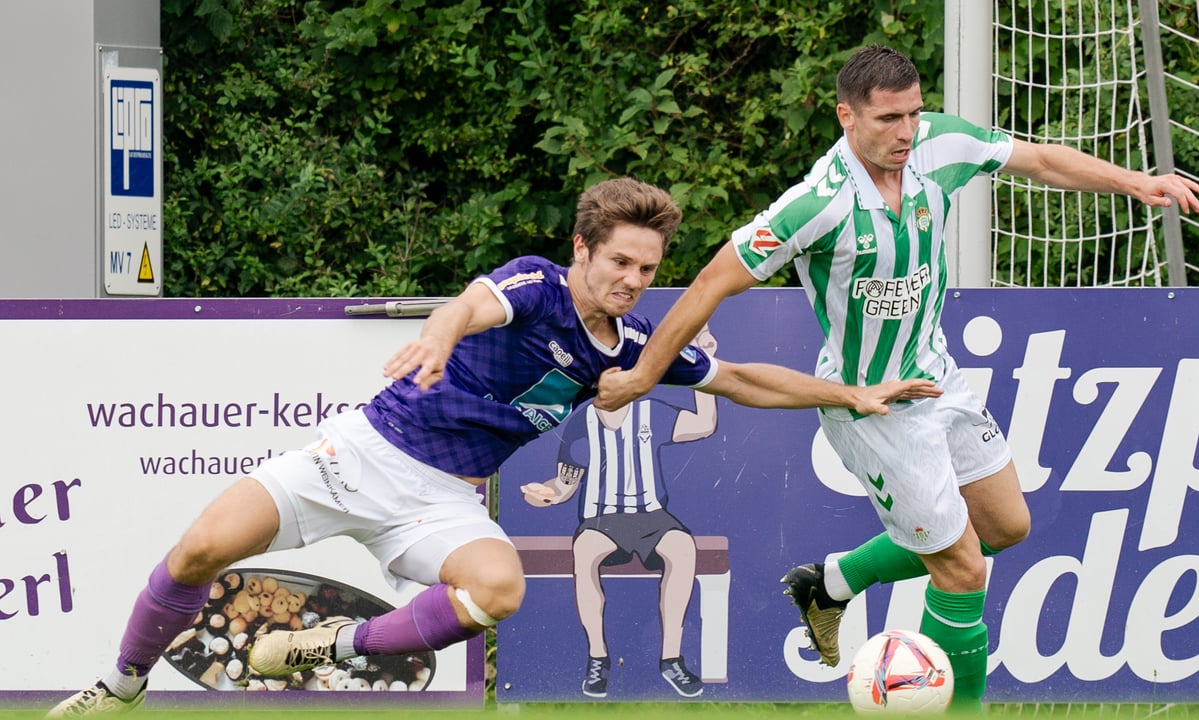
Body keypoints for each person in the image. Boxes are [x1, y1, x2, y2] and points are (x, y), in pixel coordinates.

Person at [50, 177, 941, 716]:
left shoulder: (635, 349)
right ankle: (123, 687)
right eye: (620, 262)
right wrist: (440, 335)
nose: (633, 282)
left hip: (441, 498)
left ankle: (330, 647)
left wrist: (851, 393)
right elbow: (473, 306)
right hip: (360, 453)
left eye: (646, 268)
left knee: (499, 588)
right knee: (201, 547)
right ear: (583, 249)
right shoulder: (537, 284)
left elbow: (742, 378)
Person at [593, 46, 1199, 711]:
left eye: (913, 113)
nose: (907, 132)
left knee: (1005, 527)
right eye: (889, 119)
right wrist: (642, 374)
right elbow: (712, 281)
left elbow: (1039, 159)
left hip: (936, 375)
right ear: (846, 116)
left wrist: (1136, 182)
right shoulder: (816, 206)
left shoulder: (938, 145)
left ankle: (831, 583)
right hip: (873, 408)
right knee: (963, 568)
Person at [521, 325, 722, 699]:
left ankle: (671, 659)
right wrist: (544, 494)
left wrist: (705, 361)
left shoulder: (652, 413)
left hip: (651, 515)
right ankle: (598, 657)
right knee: (585, 551)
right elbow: (565, 484)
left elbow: (704, 424)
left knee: (682, 548)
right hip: (602, 519)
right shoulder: (580, 424)